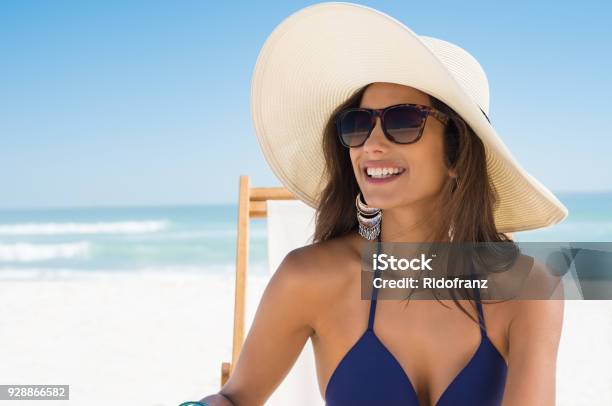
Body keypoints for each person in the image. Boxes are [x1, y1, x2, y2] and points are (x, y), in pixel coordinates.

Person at [200, 2, 568, 405]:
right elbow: (235, 399)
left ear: (459, 154)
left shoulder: (530, 289)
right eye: (358, 125)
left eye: (403, 122)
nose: (372, 145)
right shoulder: (308, 278)